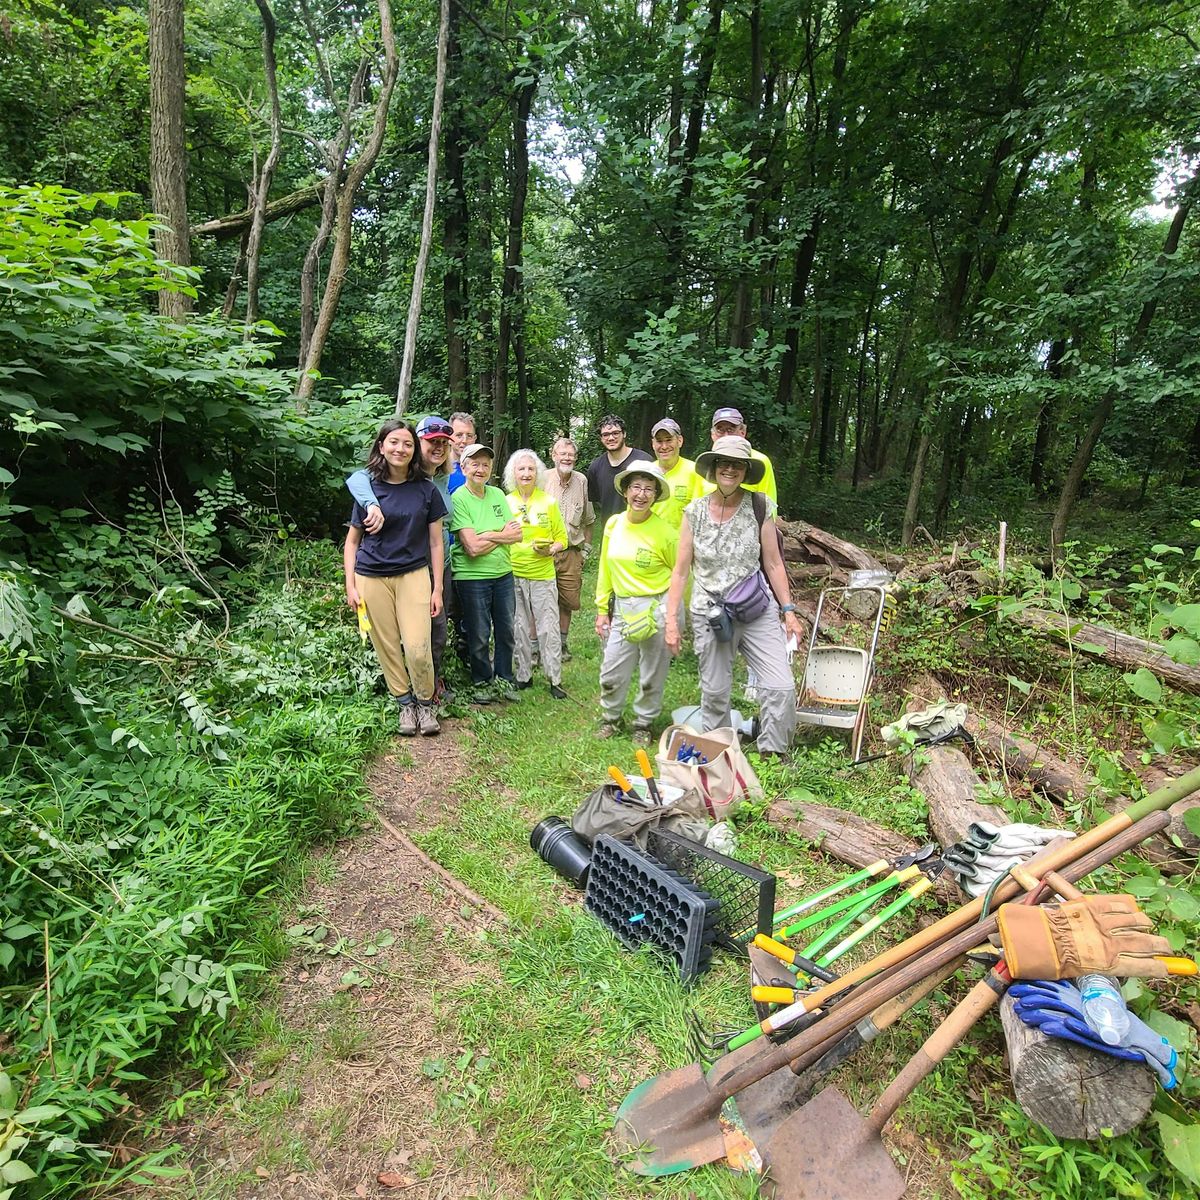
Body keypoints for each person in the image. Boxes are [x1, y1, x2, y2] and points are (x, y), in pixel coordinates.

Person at [665, 435, 802, 756]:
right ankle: (720, 753)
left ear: (746, 470)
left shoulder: (759, 506)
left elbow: (773, 563)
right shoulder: (694, 512)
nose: (730, 469)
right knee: (715, 693)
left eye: (737, 465)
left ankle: (774, 752)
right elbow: (680, 572)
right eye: (724, 463)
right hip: (710, 613)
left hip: (756, 609)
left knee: (780, 685)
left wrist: (789, 611)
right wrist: (671, 620)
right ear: (713, 468)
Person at [342, 421, 446, 737]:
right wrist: (350, 585)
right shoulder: (367, 490)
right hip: (370, 578)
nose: (400, 449)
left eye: (407, 444)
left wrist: (437, 588)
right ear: (382, 446)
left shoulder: (426, 489)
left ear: (414, 450)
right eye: (394, 442)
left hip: (414, 574)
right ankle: (405, 704)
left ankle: (425, 702)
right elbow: (352, 542)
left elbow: (436, 543)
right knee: (386, 646)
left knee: (417, 647)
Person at [595, 462, 678, 741]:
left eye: (648, 489)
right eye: (636, 487)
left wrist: (672, 617)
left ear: (656, 495)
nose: (641, 494)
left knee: (652, 672)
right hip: (622, 608)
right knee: (611, 670)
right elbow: (605, 567)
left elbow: (680, 574)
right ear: (625, 491)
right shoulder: (614, 524)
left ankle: (643, 723)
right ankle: (611, 718)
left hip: (656, 607)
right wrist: (602, 609)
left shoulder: (666, 533)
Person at [449, 443, 522, 704]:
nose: (480, 469)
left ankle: (504, 679)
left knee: (506, 630)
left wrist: (486, 536)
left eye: (485, 464)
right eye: (475, 464)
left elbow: (517, 534)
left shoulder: (498, 494)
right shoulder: (458, 498)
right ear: (464, 468)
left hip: (503, 573)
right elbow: (472, 548)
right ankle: (482, 681)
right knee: (479, 633)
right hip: (472, 578)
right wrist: (500, 534)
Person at [503, 449, 570, 699]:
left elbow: (562, 538)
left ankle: (555, 678)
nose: (526, 473)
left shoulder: (548, 502)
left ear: (538, 473)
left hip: (543, 574)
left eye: (531, 469)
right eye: (521, 469)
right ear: (513, 473)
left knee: (547, 627)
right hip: (513, 573)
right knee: (519, 626)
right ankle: (523, 675)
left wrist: (551, 549)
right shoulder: (505, 502)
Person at [543, 436, 594, 662]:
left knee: (568, 601)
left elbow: (589, 519)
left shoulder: (582, 480)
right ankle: (537, 648)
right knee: (540, 602)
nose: (567, 458)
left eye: (571, 455)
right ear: (553, 455)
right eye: (562, 454)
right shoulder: (542, 479)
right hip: (545, 553)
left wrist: (586, 551)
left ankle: (562, 645)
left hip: (572, 553)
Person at [585, 414, 652, 529]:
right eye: (606, 434)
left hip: (642, 531)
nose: (611, 438)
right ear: (601, 438)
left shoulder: (644, 461)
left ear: (624, 433)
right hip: (610, 533)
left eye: (615, 433)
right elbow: (598, 500)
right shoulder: (595, 468)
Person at [707, 407, 777, 504]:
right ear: (713, 434)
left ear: (743, 432)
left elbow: (768, 503)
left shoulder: (760, 461)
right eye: (720, 430)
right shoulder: (706, 461)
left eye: (731, 430)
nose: (726, 436)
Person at [649, 418, 706, 529]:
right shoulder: (646, 472)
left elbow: (701, 514)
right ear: (653, 444)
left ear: (679, 441)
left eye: (669, 440)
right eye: (659, 441)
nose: (664, 446)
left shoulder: (696, 472)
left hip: (682, 539)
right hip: (649, 538)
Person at [447, 411, 476, 494]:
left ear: (474, 439)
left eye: (469, 436)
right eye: (459, 435)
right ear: (449, 438)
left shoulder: (479, 470)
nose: (464, 440)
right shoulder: (440, 470)